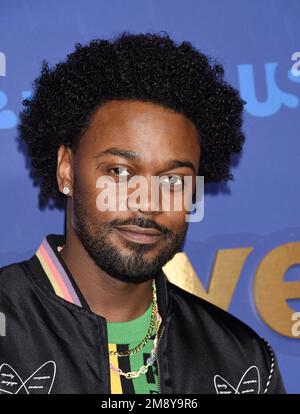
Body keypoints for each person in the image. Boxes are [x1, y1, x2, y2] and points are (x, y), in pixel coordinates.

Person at [0, 32, 285, 394]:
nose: (148, 202)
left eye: (173, 180)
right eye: (119, 172)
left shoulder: (243, 364)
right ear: (67, 170)